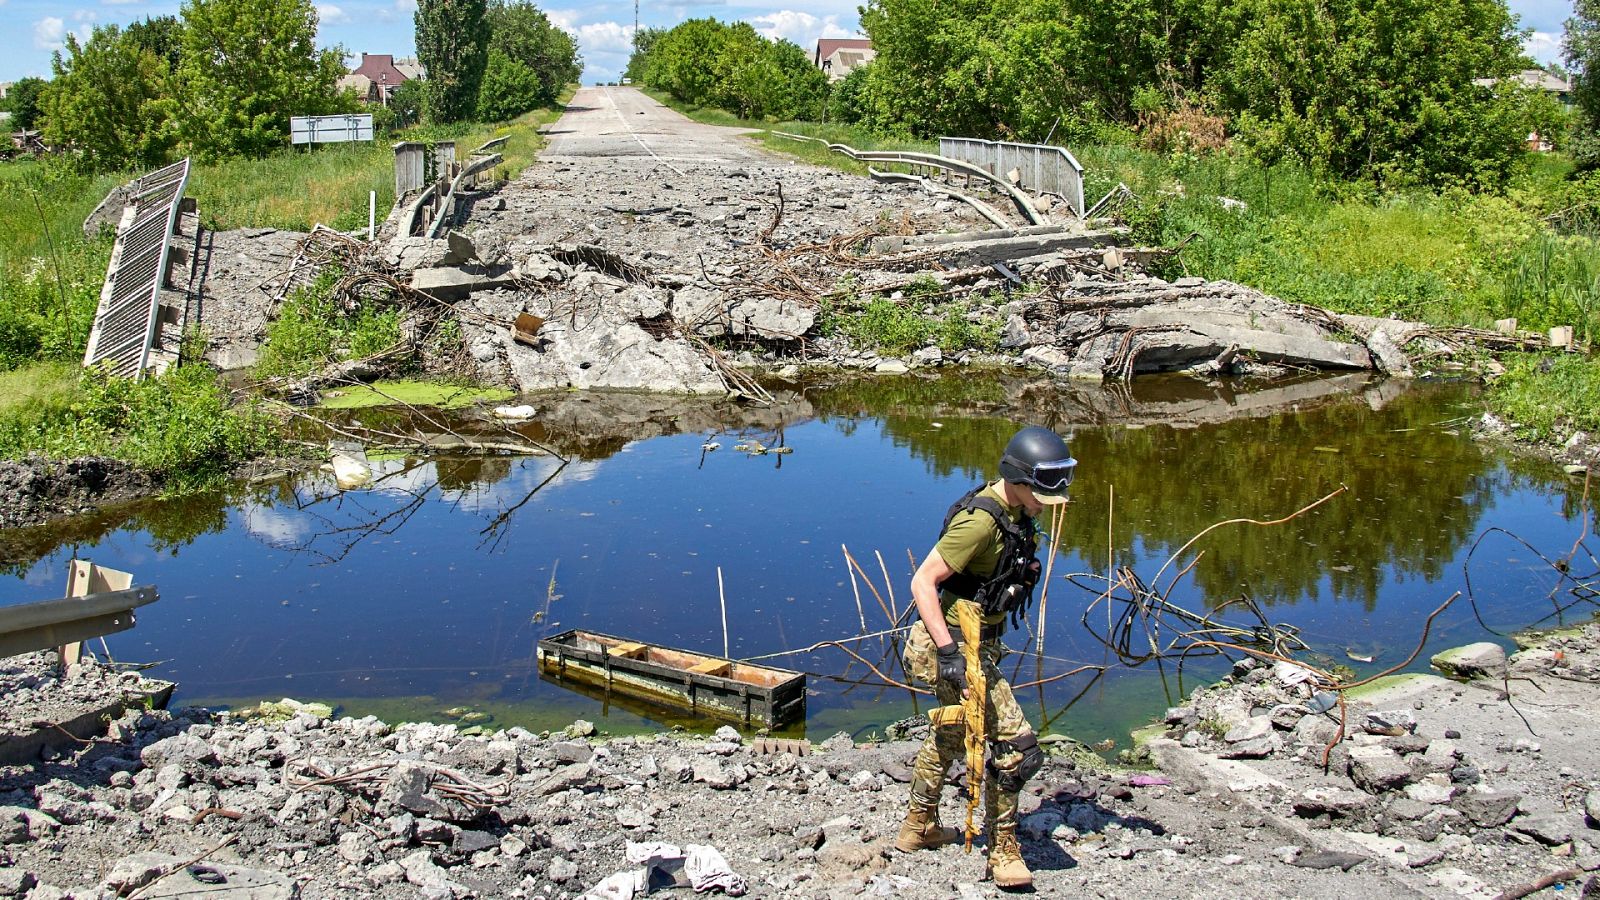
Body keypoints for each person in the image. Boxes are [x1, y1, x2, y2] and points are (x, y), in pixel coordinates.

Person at [894, 425, 1076, 890]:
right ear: (1016, 478)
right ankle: (1003, 851)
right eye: (1039, 495)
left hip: (981, 642)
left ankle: (918, 828)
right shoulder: (979, 521)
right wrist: (949, 651)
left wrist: (1021, 571)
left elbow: (994, 568)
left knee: (951, 735)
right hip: (952, 646)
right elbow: (922, 583)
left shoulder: (1017, 513)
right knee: (1019, 747)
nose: (1044, 506)